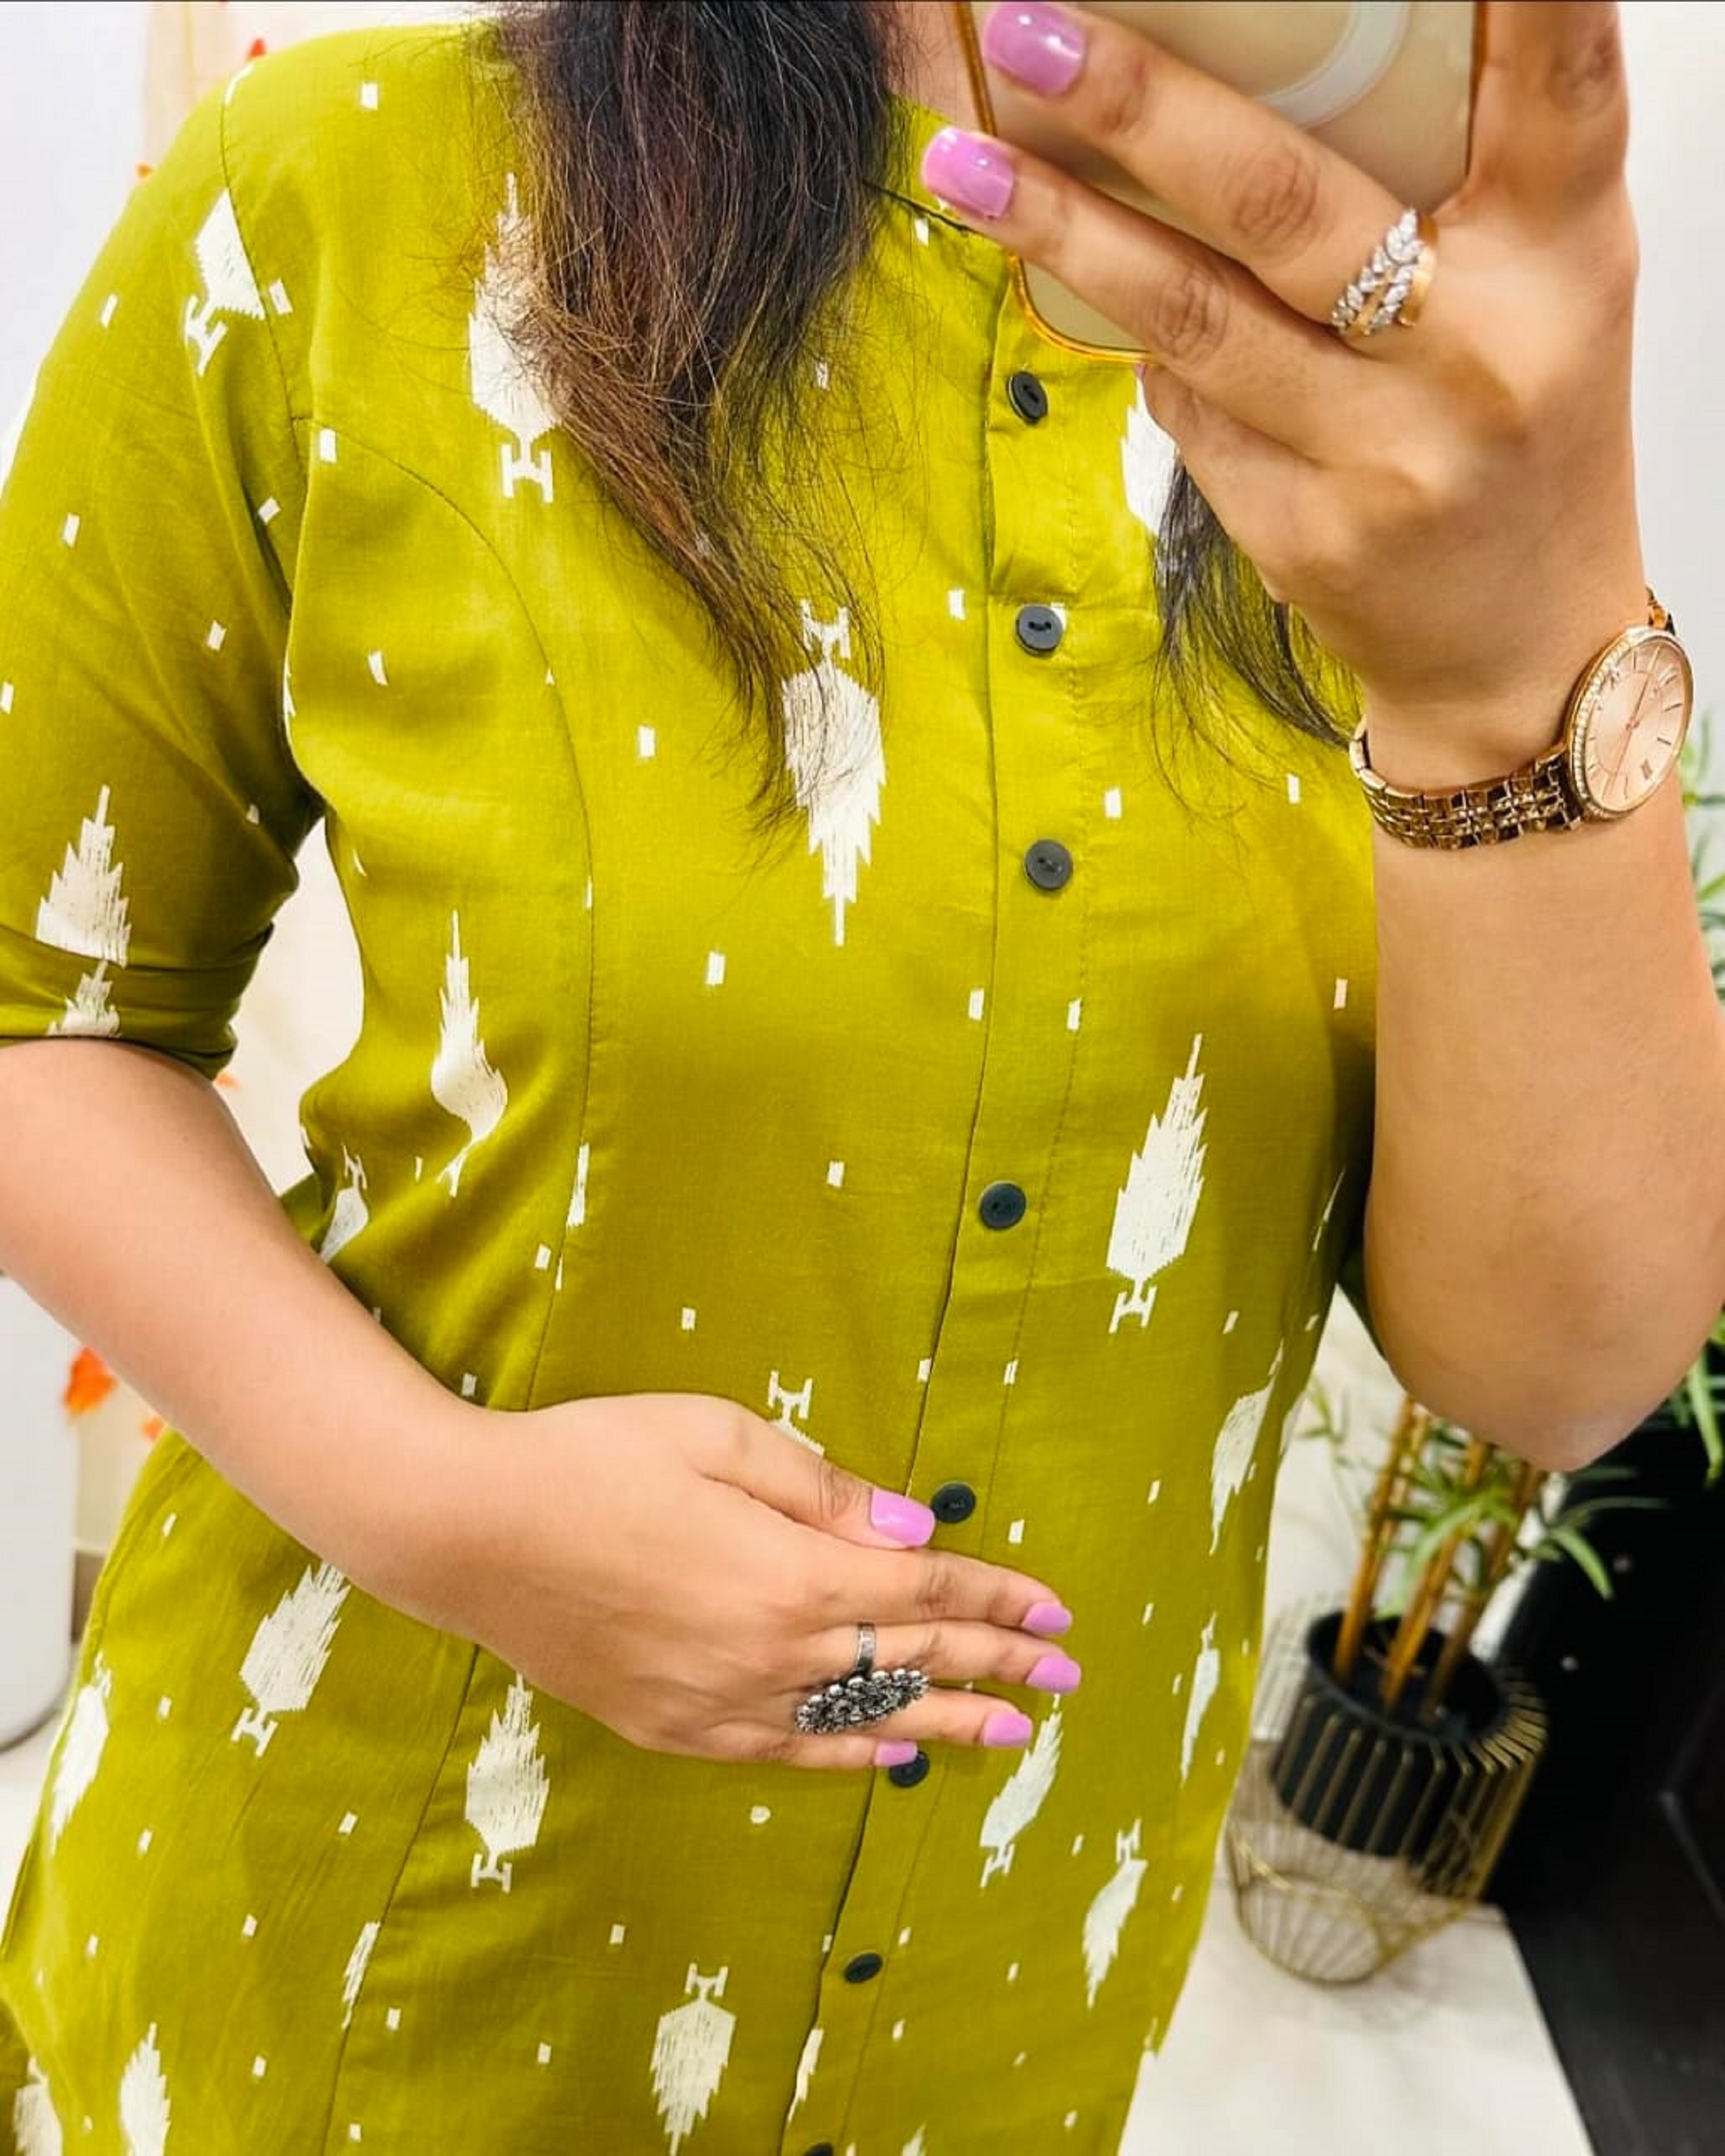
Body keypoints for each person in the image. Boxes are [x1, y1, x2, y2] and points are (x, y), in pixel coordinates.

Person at [1, 2, 1719, 2148]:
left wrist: (1514, 653)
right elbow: (44, 1014)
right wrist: (440, 1509)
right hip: (359, 1974)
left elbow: (1552, 1373)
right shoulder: (347, 194)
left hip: (1002, 2025)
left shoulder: (1420, 399)